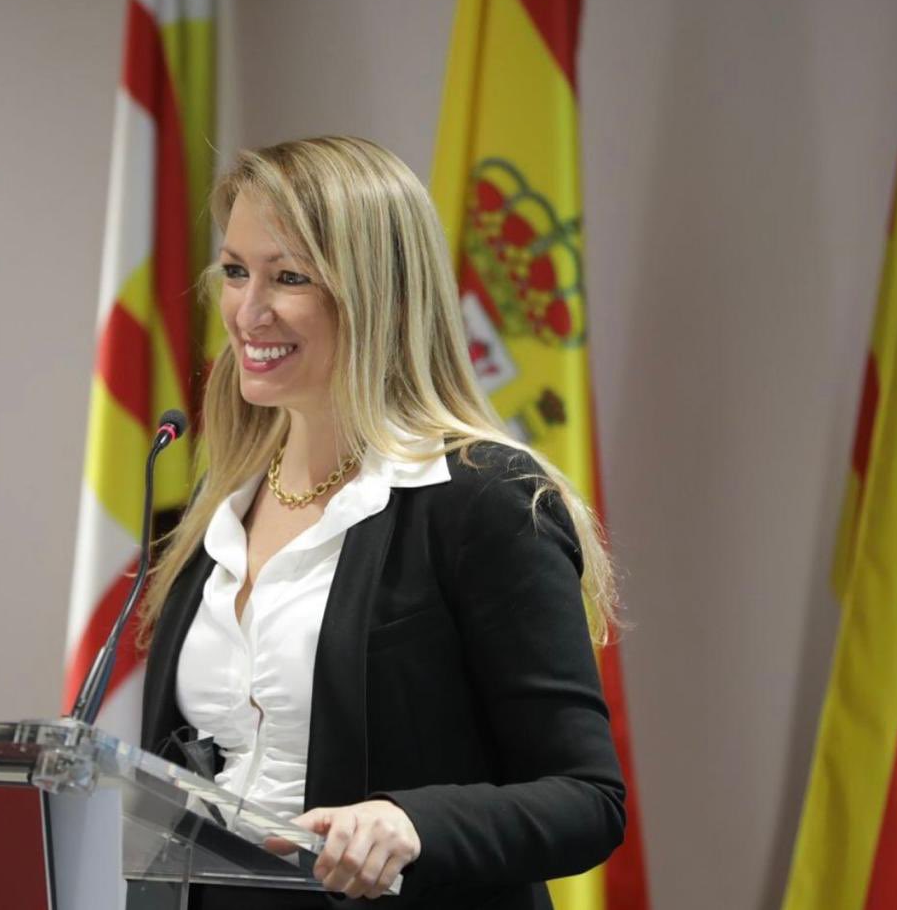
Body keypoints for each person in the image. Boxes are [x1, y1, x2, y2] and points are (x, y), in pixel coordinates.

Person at [139, 135, 626, 909]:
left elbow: (586, 797)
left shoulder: (482, 499)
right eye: (235, 271)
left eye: (289, 276)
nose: (248, 309)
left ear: (380, 294)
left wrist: (411, 820)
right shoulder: (222, 506)